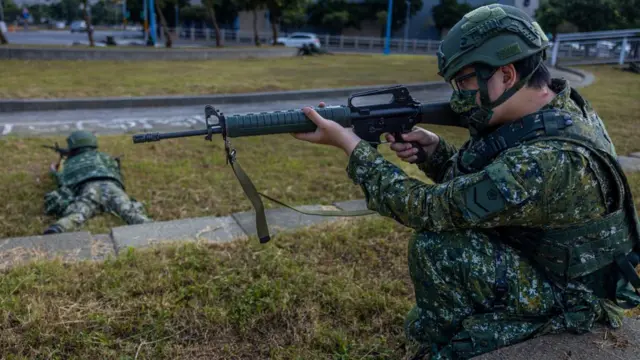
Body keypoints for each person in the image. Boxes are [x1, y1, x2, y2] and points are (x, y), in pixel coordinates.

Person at [292, 4, 640, 360]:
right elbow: (494, 192)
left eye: (464, 82)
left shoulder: (546, 160)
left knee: (439, 249)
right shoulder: (562, 109)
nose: (457, 96)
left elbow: (429, 209)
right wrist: (436, 153)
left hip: (572, 294)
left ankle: (466, 341)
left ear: (506, 74)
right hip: (562, 262)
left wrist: (350, 147)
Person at [43, 131, 153, 234]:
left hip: (89, 187)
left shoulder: (69, 163)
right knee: (128, 210)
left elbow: (61, 177)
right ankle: (151, 226)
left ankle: (60, 227)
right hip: (111, 184)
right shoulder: (104, 157)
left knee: (81, 210)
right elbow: (115, 169)